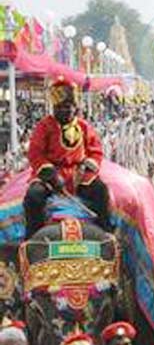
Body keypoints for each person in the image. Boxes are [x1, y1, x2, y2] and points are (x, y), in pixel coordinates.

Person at [24, 77, 110, 236]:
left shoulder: (84, 126)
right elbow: (35, 153)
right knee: (33, 196)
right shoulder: (44, 125)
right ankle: (32, 236)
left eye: (68, 107)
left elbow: (95, 151)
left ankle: (105, 232)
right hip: (51, 174)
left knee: (101, 190)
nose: (65, 110)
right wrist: (50, 174)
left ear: (75, 108)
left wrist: (88, 168)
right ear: (54, 108)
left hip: (79, 173)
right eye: (60, 107)